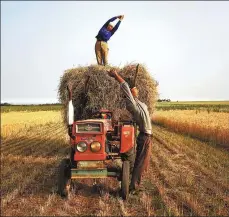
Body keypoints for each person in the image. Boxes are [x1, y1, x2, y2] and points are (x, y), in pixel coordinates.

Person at [108, 69, 152, 194]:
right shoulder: (132, 105)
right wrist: (116, 75)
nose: (137, 89)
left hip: (146, 136)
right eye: (134, 89)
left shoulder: (139, 103)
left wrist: (133, 89)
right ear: (130, 93)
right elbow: (125, 86)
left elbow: (142, 101)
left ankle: (133, 184)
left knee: (143, 162)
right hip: (145, 136)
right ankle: (133, 187)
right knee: (141, 163)